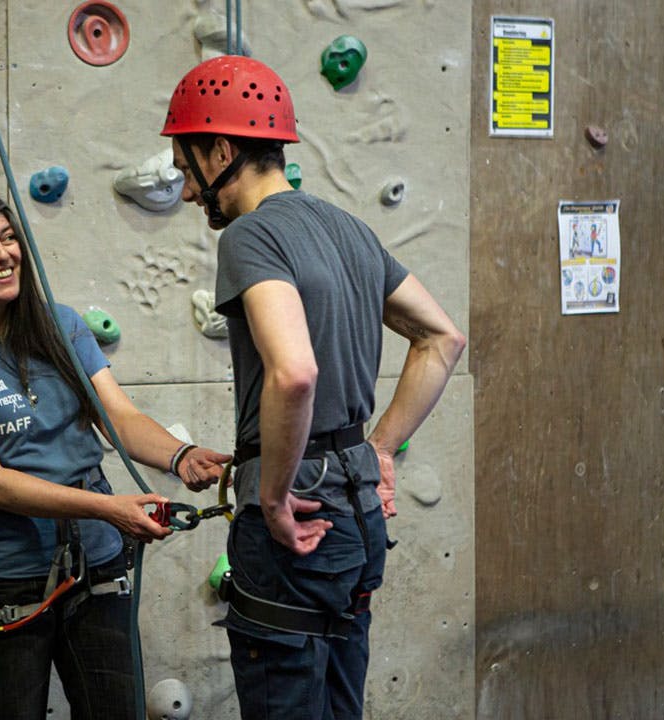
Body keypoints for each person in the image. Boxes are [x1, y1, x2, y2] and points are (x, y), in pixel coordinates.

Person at [160, 56, 467, 720]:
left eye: (187, 169)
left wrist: (273, 497)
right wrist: (378, 449)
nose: (185, 192)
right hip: (356, 516)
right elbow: (442, 338)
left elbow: (294, 371)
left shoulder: (250, 235)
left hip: (297, 520)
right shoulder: (350, 228)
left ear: (221, 151)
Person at [0, 189, 231, 720]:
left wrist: (180, 455)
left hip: (96, 563)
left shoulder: (62, 326)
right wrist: (106, 508)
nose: (2, 254)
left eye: (8, 238)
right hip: (6, 575)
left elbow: (119, 417)